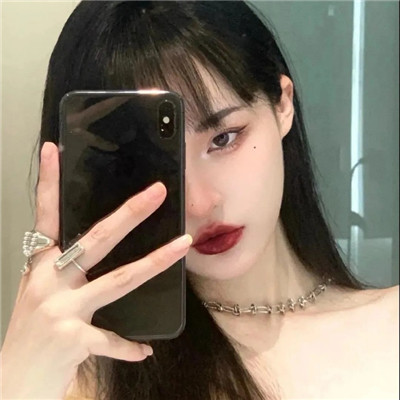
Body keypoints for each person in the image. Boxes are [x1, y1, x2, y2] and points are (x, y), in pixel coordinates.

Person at [1, 1, 398, 399]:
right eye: (154, 165)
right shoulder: (84, 371)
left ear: (282, 105)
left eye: (223, 138)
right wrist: (18, 379)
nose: (199, 204)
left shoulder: (388, 326)